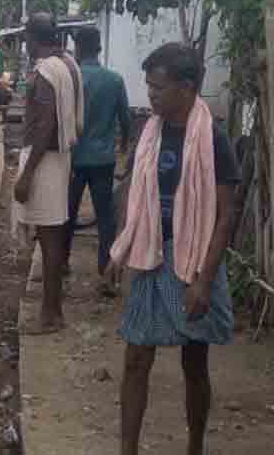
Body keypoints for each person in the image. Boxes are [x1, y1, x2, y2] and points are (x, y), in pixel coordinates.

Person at [111, 43, 238, 455]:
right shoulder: (149, 131)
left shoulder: (212, 139)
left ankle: (195, 446)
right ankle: (127, 449)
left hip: (193, 260)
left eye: (157, 87)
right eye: (148, 86)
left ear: (186, 88)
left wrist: (203, 281)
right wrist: (121, 246)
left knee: (194, 363)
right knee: (135, 358)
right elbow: (131, 189)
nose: (150, 94)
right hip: (150, 254)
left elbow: (225, 215)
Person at [13, 12, 83, 335]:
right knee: (51, 236)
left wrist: (27, 174)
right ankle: (51, 310)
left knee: (50, 239)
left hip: (45, 162)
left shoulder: (45, 72)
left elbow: (44, 126)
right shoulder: (68, 65)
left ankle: (51, 314)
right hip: (60, 158)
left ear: (31, 38)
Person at [66, 27, 132, 296]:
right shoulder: (114, 80)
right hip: (103, 159)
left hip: (73, 158)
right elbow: (125, 121)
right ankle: (106, 271)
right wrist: (124, 144)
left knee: (66, 214)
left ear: (78, 48)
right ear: (100, 48)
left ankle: (60, 263)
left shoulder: (72, 79)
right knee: (106, 218)